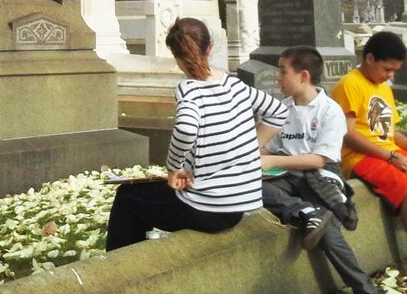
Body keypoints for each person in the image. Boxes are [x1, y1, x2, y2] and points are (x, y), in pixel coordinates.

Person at [105, 17, 289, 250]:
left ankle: (124, 275)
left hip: (208, 208)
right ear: (210, 48)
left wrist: (173, 170)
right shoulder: (235, 85)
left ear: (176, 57)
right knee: (146, 197)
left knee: (126, 198)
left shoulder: (189, 89)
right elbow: (278, 112)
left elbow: (186, 128)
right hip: (241, 203)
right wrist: (250, 147)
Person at [331, 32, 407, 279]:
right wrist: (389, 156)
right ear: (369, 58)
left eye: (394, 71)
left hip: (389, 153)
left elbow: (390, 132)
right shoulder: (349, 84)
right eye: (387, 69)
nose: (390, 76)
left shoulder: (383, 87)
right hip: (360, 157)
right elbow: (349, 135)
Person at [260, 47, 378, 294]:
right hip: (285, 174)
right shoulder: (281, 109)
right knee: (252, 189)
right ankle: (303, 210)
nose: (278, 78)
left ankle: (364, 288)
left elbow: (319, 160)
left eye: (283, 71)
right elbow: (266, 147)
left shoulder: (330, 110)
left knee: (328, 235)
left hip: (319, 174)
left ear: (303, 76)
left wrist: (271, 162)